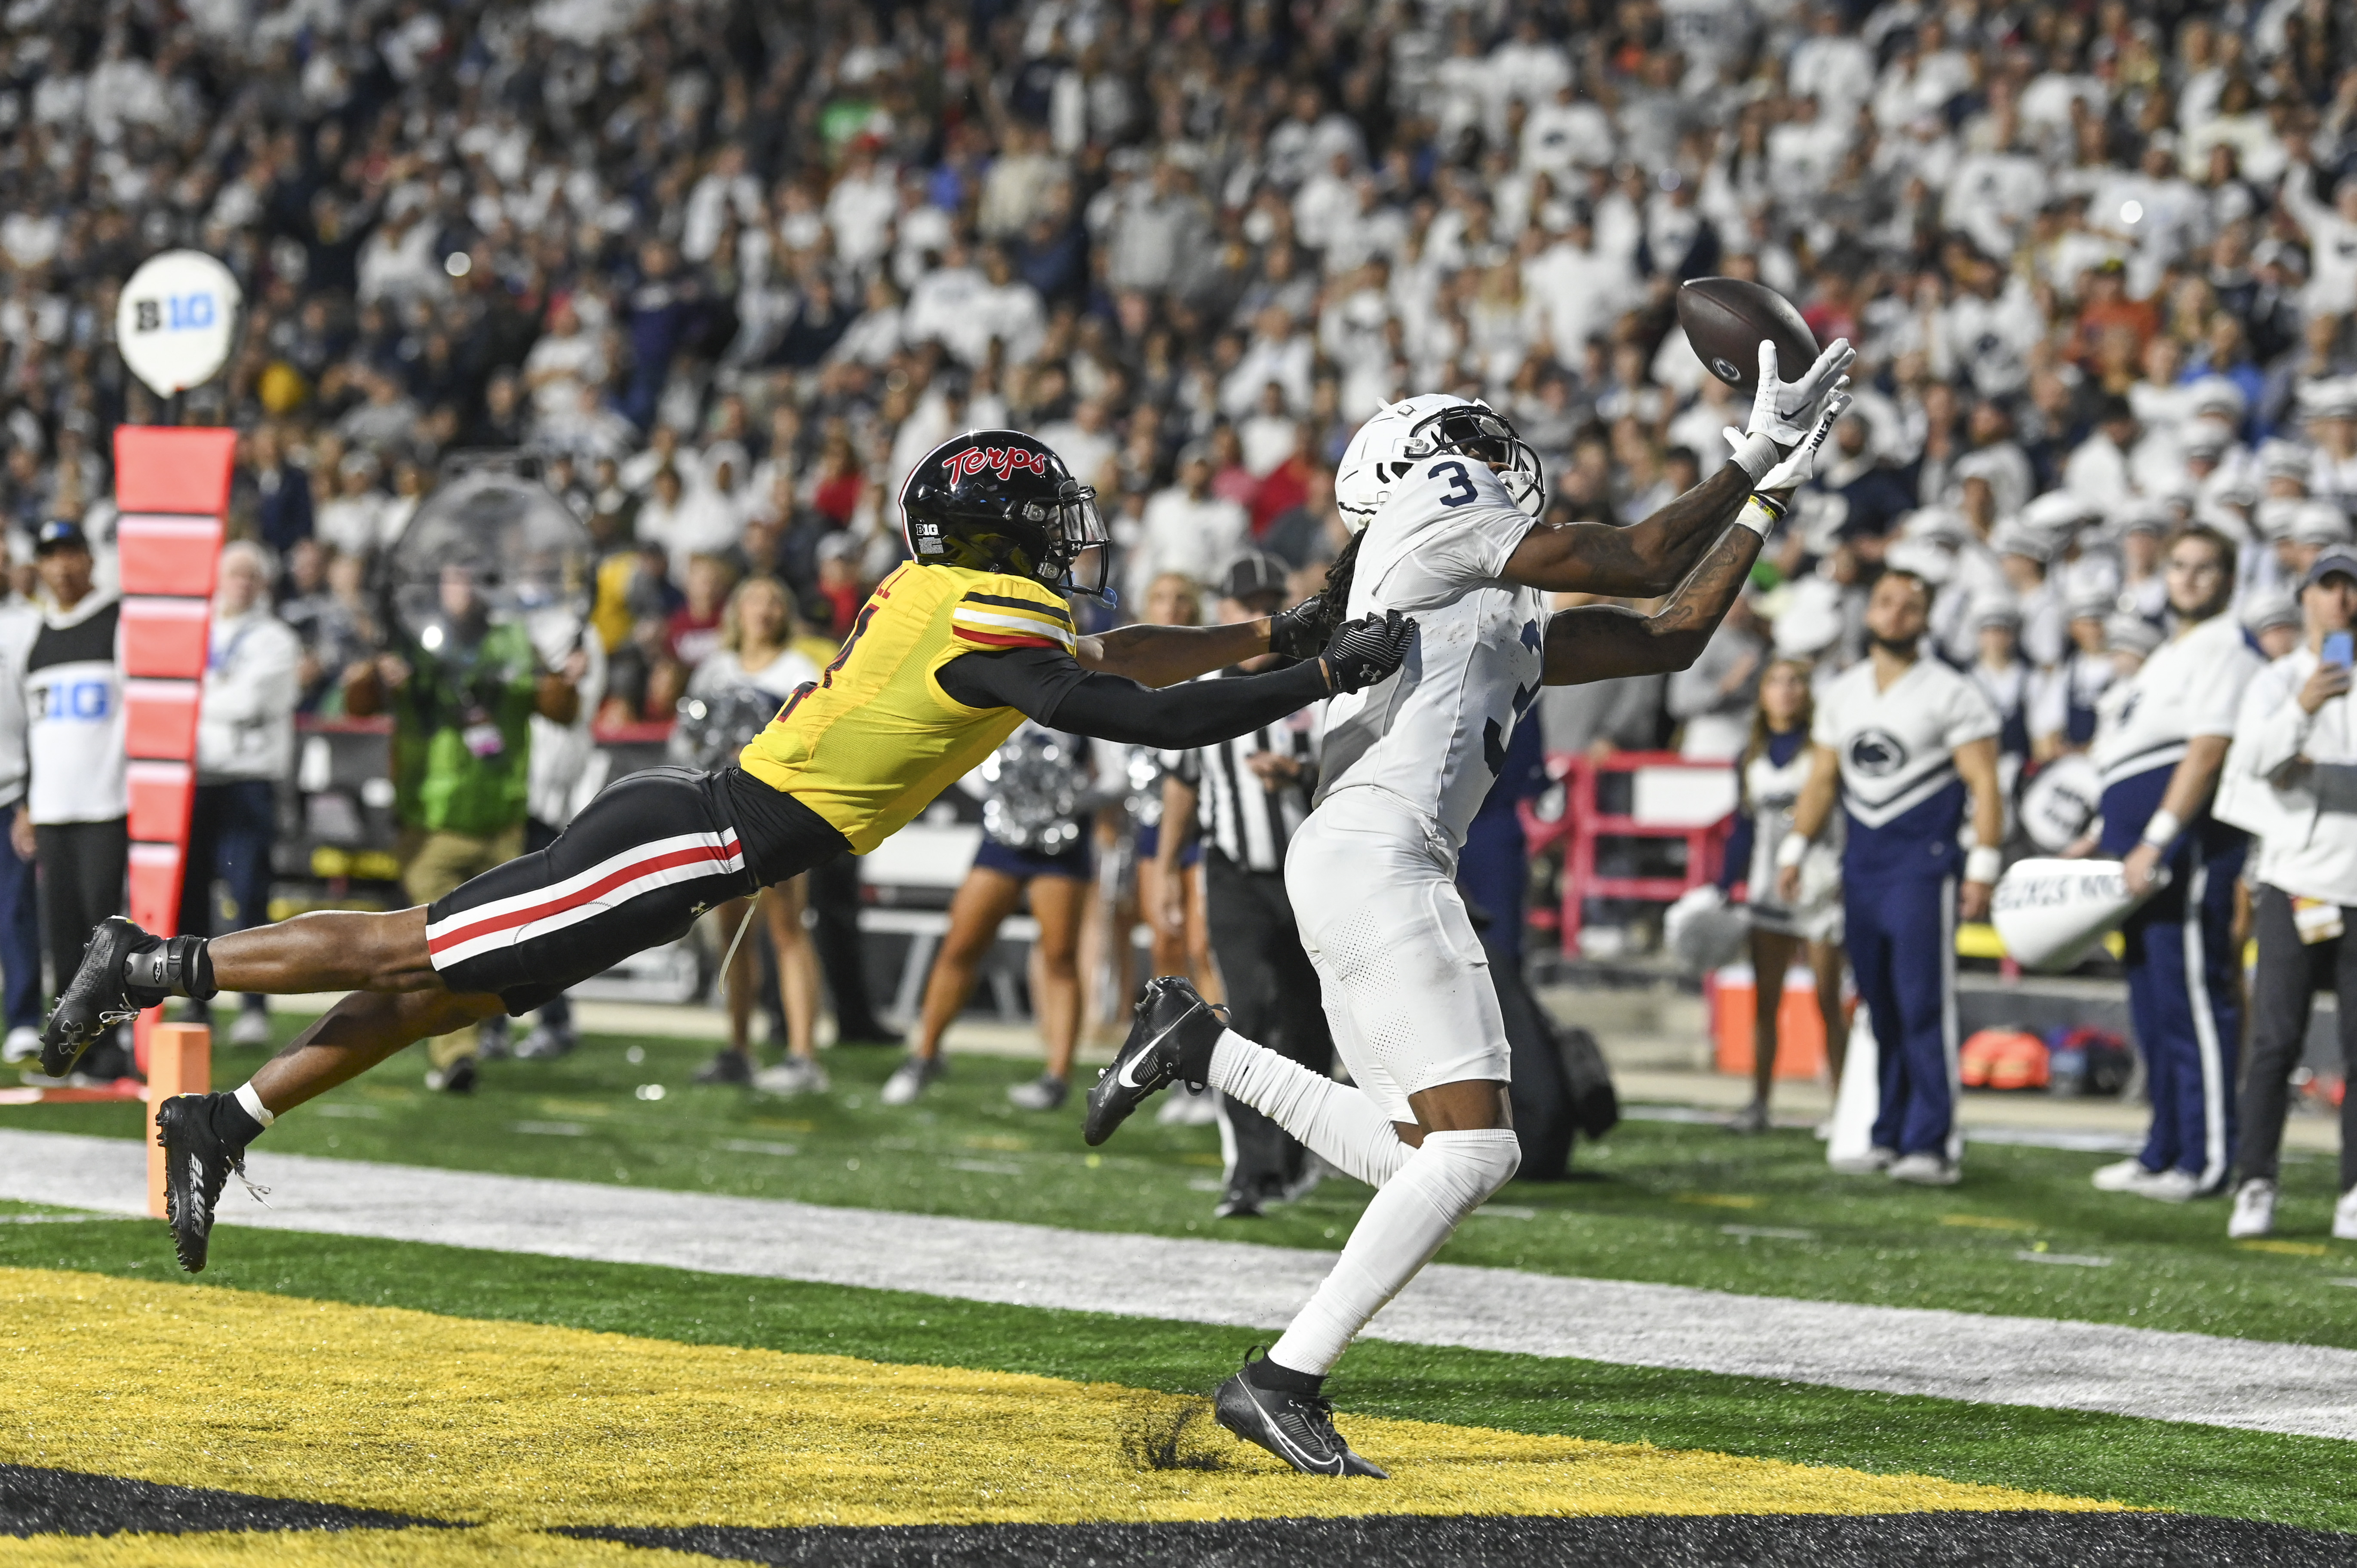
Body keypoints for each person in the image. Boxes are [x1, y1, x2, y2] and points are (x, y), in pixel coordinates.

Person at [52, 429, 1412, 1278]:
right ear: (1004, 533)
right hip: (697, 834)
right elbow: (1143, 714)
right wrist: (1315, 678)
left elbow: (1124, 656)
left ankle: (224, 1118)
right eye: (1051, 517)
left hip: (700, 835)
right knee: (428, 945)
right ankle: (154, 961)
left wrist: (1269, 638)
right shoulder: (987, 614)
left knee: (453, 992)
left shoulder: (967, 598)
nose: (1070, 538)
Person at [1082, 341, 1855, 1477]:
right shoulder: (1435, 512)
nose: (1498, 456)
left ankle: (1200, 1043)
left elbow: (1670, 632)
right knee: (1481, 1146)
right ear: (1418, 462)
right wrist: (1748, 453)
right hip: (1379, 856)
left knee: (1421, 1154)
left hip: (1365, 859)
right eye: (1474, 439)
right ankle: (1282, 1377)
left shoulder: (1473, 598)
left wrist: (1769, 495)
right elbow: (1640, 557)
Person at [1779, 568, 2005, 1187]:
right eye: (1885, 601)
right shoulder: (1844, 691)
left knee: (1922, 1003)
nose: (1896, 613)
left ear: (1927, 618)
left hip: (1921, 865)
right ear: (1868, 611)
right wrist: (1796, 846)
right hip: (1863, 866)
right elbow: (1823, 778)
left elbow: (1984, 781)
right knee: (1878, 1004)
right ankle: (1888, 1129)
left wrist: (1983, 864)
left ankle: (1931, 1140)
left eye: (1911, 605)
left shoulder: (1952, 691)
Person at [338, 562, 585, 1095]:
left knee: (505, 948)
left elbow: (560, 709)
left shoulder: (513, 642)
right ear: (436, 586)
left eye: (474, 576)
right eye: (453, 576)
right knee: (441, 946)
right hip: (431, 825)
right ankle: (456, 1054)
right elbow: (360, 704)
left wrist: (564, 678)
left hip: (502, 821)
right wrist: (370, 673)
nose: (463, 586)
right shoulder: (410, 643)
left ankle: (484, 1030)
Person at [2084, 525, 2264, 1203]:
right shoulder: (2168, 652)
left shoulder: (2226, 648)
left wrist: (2157, 836)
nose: (2188, 578)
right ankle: (2164, 1147)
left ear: (2228, 578)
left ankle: (2209, 1157)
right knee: (2154, 1005)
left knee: (2193, 1002)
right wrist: (2102, 832)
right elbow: (2133, 755)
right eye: (2180, 566)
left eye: (2205, 568)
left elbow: (2208, 749)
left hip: (2184, 855)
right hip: (2138, 859)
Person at [1156, 551, 1331, 1218]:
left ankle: (1294, 1157)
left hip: (1308, 873)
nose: (1260, 613)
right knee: (1246, 1017)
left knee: (1309, 1021)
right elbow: (1183, 785)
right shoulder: (1206, 686)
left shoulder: (1317, 678)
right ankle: (1249, 1170)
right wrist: (1171, 869)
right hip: (1232, 871)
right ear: (1225, 614)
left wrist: (1299, 775)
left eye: (1269, 600)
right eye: (1246, 603)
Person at [2215, 549, 2357, 1241]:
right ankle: (2256, 1181)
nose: (2341, 602)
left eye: (2350, 590)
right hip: (2295, 882)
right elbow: (2251, 764)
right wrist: (2302, 712)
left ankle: (2354, 1190)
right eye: (2328, 588)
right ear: (2305, 598)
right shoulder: (2276, 680)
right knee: (2275, 1040)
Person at [883, 721, 1095, 1109]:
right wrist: (1002, 796)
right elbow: (961, 756)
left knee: (1060, 956)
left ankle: (1058, 1076)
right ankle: (924, 1056)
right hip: (1002, 841)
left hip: (1061, 845)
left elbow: (1115, 777)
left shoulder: (1093, 694)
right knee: (961, 944)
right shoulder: (1007, 686)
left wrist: (1064, 799)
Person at [679, 577, 825, 1093]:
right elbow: (688, 739)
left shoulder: (798, 670)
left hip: (778, 810)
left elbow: (814, 738)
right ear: (736, 611)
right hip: (721, 810)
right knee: (732, 932)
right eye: (752, 600)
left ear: (783, 612)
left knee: (787, 929)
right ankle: (739, 1048)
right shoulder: (713, 669)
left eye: (772, 601)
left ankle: (803, 1054)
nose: (762, 610)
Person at [17, 521, 130, 1084]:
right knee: (60, 937)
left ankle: (111, 1053)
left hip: (108, 803)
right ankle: (68, 1055)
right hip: (53, 808)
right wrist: (25, 803)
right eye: (49, 556)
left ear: (90, 559)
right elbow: (31, 732)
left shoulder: (118, 623)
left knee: (103, 936)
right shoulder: (37, 634)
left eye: (69, 554)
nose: (60, 567)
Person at [182, 542, 302, 1049]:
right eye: (235, 572)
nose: (243, 583)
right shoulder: (197, 629)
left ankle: (253, 1003)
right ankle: (194, 1001)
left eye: (253, 574)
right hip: (195, 779)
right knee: (190, 899)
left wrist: (196, 695)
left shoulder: (275, 638)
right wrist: (214, 696)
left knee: (248, 894)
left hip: (248, 781)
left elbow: (251, 702)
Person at [1720, 656, 1845, 1134]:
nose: (1786, 691)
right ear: (1762, 693)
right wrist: (1722, 884)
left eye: (1796, 682)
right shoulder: (1750, 753)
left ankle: (1840, 1106)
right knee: (1764, 1003)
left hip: (1819, 885)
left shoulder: (1822, 750)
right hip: (1767, 888)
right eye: (1776, 682)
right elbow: (1743, 827)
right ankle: (1759, 1102)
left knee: (1828, 1000)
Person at [0, 580, 38, 1066]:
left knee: (16, 911)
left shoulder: (26, 624)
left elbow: (38, 716)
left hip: (9, 788)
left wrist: (31, 795)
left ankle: (25, 1018)